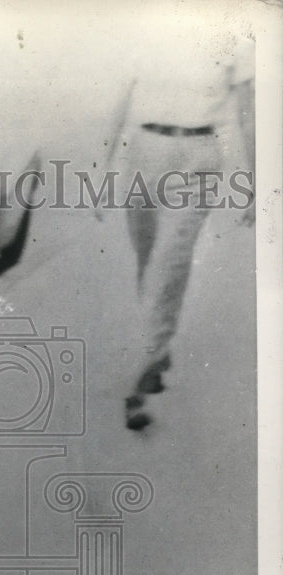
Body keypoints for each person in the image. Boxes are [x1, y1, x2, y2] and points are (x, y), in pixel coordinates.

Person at [97, 28, 255, 430]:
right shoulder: (146, 25)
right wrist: (100, 173)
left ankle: (147, 363)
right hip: (145, 152)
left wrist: (254, 180)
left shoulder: (235, 37)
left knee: (169, 262)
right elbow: (117, 104)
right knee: (148, 258)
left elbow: (245, 115)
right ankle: (158, 345)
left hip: (198, 160)